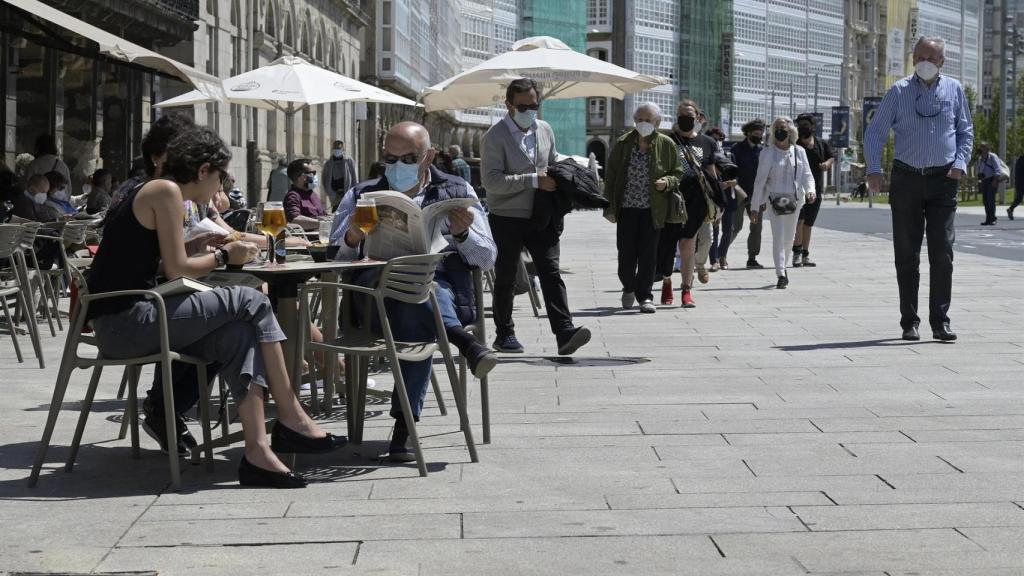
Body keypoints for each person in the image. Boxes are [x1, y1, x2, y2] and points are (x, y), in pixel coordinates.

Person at [86, 125, 344, 489]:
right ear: (204, 170)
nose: (220, 188)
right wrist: (224, 254)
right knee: (252, 299)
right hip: (126, 321)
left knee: (237, 334)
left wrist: (202, 249)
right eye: (220, 177)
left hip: (133, 316)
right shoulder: (165, 190)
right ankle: (291, 415)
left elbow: (158, 263)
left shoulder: (161, 190)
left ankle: (258, 453)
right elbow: (177, 269)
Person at [330, 121, 497, 461]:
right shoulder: (361, 194)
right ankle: (463, 343)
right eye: (390, 158)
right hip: (373, 297)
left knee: (422, 292)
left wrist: (463, 235)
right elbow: (334, 258)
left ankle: (405, 425)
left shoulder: (456, 191)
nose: (397, 166)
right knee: (417, 293)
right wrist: (352, 237)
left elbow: (487, 257)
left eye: (408, 158)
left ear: (428, 156)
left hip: (436, 290)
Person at [864, 36, 972, 342]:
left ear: (942, 62)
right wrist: (874, 169)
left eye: (932, 57)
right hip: (907, 178)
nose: (926, 61)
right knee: (907, 254)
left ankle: (941, 321)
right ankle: (909, 321)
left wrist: (960, 162)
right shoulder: (899, 91)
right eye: (921, 55)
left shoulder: (954, 89)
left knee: (943, 253)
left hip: (943, 181)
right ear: (913, 59)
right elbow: (875, 132)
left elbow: (965, 131)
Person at [481, 78, 591, 355]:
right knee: (506, 275)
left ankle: (565, 331)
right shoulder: (493, 137)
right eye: (523, 106)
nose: (530, 110)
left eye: (534, 105)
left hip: (542, 213)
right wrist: (533, 180)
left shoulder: (544, 129)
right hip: (507, 216)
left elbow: (550, 161)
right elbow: (492, 182)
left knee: (551, 272)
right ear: (508, 105)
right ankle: (504, 333)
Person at [603, 102, 682, 313]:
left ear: (657, 122)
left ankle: (645, 296)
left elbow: (678, 173)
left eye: (648, 120)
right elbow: (610, 177)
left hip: (653, 210)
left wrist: (667, 181)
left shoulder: (666, 144)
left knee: (649, 255)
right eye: (639, 120)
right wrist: (609, 207)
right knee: (626, 253)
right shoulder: (623, 143)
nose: (643, 124)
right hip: (627, 208)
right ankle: (628, 286)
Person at [658, 99, 719, 308]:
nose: (685, 119)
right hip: (671, 198)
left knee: (688, 244)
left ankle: (686, 289)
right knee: (667, 245)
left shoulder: (707, 143)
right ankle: (667, 281)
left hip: (696, 200)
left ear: (697, 118)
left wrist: (716, 202)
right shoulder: (667, 140)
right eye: (681, 116)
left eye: (690, 116)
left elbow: (711, 176)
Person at [750, 117, 816, 289]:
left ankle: (783, 266)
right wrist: (755, 207)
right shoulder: (767, 153)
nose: (780, 130)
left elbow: (807, 174)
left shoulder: (799, 151)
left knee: (789, 238)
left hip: (794, 200)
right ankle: (781, 273)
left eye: (783, 127)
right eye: (777, 127)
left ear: (790, 131)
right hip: (774, 201)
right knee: (778, 237)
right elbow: (759, 181)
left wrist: (810, 190)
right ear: (773, 131)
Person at [791, 113, 834, 267]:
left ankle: (805, 254)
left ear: (812, 126)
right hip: (797, 189)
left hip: (816, 189)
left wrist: (827, 164)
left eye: (806, 124)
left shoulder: (821, 143)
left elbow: (831, 157)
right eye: (800, 124)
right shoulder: (793, 144)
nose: (803, 126)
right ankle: (796, 252)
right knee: (799, 221)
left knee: (808, 223)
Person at [730, 119, 767, 269]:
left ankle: (752, 258)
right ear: (748, 133)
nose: (759, 135)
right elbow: (731, 170)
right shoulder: (736, 148)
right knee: (735, 227)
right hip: (739, 192)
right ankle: (721, 254)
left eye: (761, 133)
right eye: (756, 133)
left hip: (757, 194)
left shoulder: (763, 150)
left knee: (756, 227)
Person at [283, 158, 326, 231]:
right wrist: (322, 223)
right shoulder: (293, 196)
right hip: (309, 239)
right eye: (312, 173)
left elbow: (323, 214)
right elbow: (295, 220)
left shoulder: (312, 193)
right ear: (302, 177)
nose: (314, 176)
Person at [322, 140, 357, 211]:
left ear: (343, 149)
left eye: (338, 148)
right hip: (335, 196)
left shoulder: (348, 161)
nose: (336, 150)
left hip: (347, 193)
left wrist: (354, 191)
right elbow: (324, 179)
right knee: (336, 213)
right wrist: (330, 193)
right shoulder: (328, 163)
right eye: (335, 148)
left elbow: (354, 177)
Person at [975, 142, 1001, 225]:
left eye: (983, 147)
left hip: (992, 179)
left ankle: (993, 218)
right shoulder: (980, 158)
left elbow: (998, 169)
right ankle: (988, 219)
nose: (981, 148)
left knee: (990, 200)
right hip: (984, 180)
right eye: (980, 147)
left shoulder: (992, 156)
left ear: (987, 148)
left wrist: (995, 180)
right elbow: (980, 170)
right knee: (985, 200)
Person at [1010, 152, 1024, 220]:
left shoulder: (1019, 160)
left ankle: (1011, 209)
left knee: (1019, 198)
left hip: (1018, 183)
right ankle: (1010, 209)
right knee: (1019, 198)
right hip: (1022, 183)